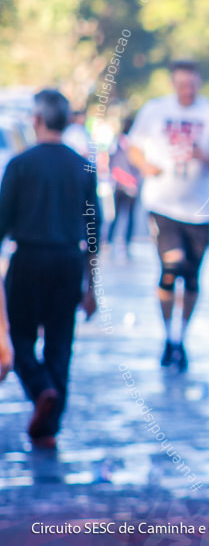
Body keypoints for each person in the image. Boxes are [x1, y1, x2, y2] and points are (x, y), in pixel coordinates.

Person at [0, 89, 100, 448]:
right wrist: (91, 287)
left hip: (28, 259)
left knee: (22, 338)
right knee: (60, 343)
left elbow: (1, 224)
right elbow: (93, 230)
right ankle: (50, 424)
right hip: (67, 262)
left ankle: (42, 390)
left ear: (36, 120)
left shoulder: (20, 165)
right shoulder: (83, 166)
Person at [128, 60, 209, 372]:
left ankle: (179, 336)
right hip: (162, 206)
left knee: (190, 276)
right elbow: (133, 146)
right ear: (173, 83)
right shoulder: (154, 110)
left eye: (191, 84)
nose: (186, 90)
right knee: (169, 267)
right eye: (180, 84)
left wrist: (206, 156)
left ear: (199, 83)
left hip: (200, 211)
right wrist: (145, 167)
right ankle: (166, 334)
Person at [107, 115, 143, 249]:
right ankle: (124, 241)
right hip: (128, 183)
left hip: (121, 183)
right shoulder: (130, 144)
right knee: (127, 215)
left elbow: (111, 161)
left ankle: (114, 240)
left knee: (120, 215)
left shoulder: (118, 143)